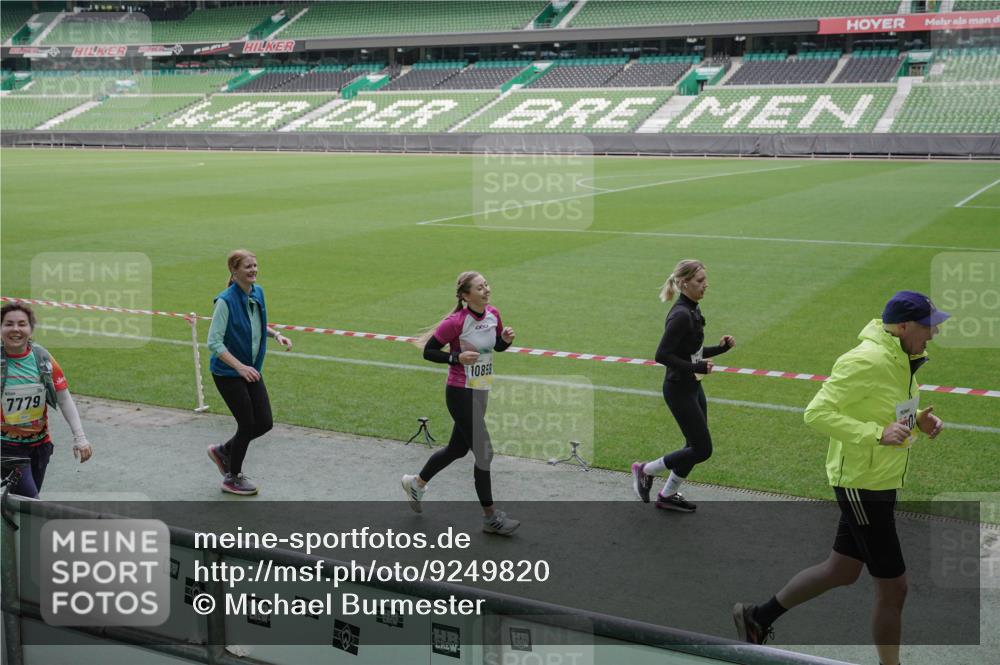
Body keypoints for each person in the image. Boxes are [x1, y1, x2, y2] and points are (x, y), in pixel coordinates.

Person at [733, 291, 948, 665]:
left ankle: (757, 617)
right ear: (902, 326)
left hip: (880, 477)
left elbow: (888, 412)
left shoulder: (902, 359)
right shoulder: (865, 359)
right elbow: (815, 413)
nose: (933, 334)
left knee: (842, 570)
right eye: (928, 327)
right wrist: (875, 434)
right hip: (861, 483)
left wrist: (918, 423)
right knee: (894, 588)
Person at [401, 271, 520, 535]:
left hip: (481, 390)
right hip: (459, 391)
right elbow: (429, 351)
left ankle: (416, 483)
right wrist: (455, 358)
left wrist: (506, 341)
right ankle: (491, 518)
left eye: (486, 285)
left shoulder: (493, 314)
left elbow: (496, 346)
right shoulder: (455, 322)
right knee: (484, 452)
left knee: (457, 449)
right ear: (466, 295)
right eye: (479, 288)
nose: (486, 290)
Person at [631, 259, 735, 512]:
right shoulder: (680, 315)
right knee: (702, 449)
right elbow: (663, 355)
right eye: (700, 281)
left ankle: (667, 494)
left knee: (694, 447)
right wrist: (696, 368)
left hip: (692, 387)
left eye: (705, 280)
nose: (705, 285)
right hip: (678, 389)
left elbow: (691, 352)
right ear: (684, 283)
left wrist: (720, 349)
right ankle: (645, 469)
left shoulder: (692, 309)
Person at [206, 250, 291, 496]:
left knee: (264, 423)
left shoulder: (257, 292)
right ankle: (232, 476)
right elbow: (214, 343)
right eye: (247, 267)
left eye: (255, 265)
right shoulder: (225, 301)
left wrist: (276, 335)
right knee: (247, 423)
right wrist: (239, 367)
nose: (253, 270)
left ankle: (223, 451)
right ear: (234, 271)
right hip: (228, 372)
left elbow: (257, 323)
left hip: (250, 370)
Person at [1, 302, 93, 497]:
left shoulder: (42, 358)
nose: (15, 329)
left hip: (40, 446)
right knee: (31, 503)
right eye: (8, 324)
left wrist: (80, 437)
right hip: (7, 449)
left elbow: (64, 399)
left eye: (22, 324)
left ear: (31, 328)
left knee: (19, 506)